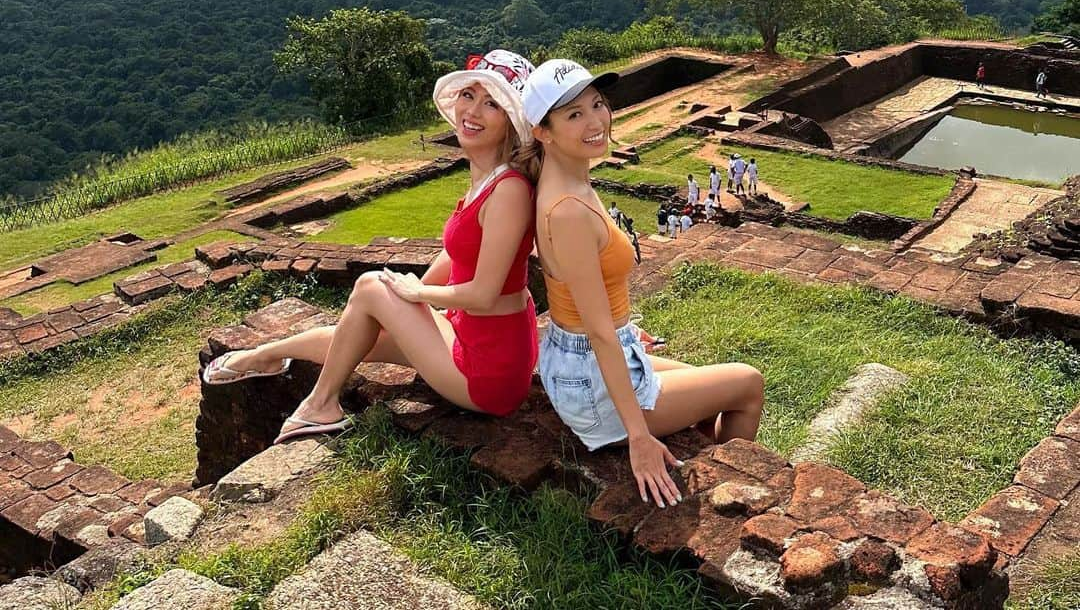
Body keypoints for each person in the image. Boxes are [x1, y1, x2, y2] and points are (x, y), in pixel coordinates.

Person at [203, 49, 541, 442]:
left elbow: (483, 293)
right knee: (365, 330)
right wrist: (408, 304)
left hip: (489, 372)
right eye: (469, 96)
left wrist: (416, 292)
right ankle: (265, 355)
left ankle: (319, 405)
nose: (473, 111)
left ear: (511, 122)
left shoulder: (509, 191)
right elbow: (456, 254)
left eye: (492, 104)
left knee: (370, 287)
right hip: (470, 334)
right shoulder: (485, 179)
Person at [522, 59, 765, 508]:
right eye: (574, 115)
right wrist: (638, 437)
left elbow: (578, 301)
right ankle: (721, 492)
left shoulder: (568, 180)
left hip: (586, 357)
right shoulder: (569, 210)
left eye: (598, 105)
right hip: (591, 380)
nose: (596, 122)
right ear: (542, 131)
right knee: (747, 384)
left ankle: (706, 456)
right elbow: (595, 332)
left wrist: (626, 332)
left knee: (706, 390)